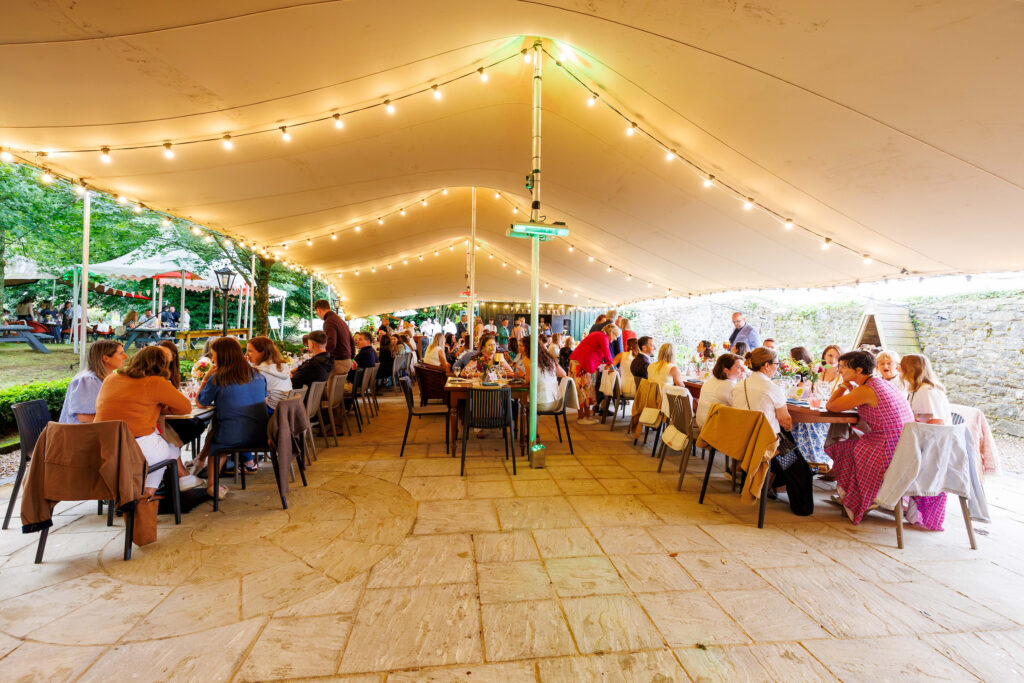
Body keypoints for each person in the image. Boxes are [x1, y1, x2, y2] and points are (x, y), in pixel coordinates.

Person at [824, 350, 943, 527]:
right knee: (851, 441)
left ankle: (856, 499)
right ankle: (855, 495)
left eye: (842, 367)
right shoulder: (880, 383)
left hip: (887, 447)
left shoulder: (867, 389)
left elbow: (831, 406)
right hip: (905, 445)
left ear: (858, 370)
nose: (839, 371)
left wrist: (842, 386)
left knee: (841, 448)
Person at [94, 346, 194, 497]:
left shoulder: (111, 378)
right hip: (135, 446)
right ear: (162, 365)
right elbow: (186, 407)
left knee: (166, 448)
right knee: (169, 451)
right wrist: (162, 407)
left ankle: (139, 492)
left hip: (103, 447)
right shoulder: (156, 382)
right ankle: (147, 494)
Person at [198, 337, 268, 476]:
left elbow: (201, 402)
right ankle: (199, 462)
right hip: (261, 434)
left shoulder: (218, 377)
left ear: (221, 356)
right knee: (218, 428)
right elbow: (264, 401)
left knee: (218, 440)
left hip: (232, 437)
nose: (212, 358)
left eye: (213, 354)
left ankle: (212, 485)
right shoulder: (258, 375)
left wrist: (206, 378)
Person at [59, 340, 127, 424]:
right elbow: (84, 418)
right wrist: (124, 419)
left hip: (99, 431)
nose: (125, 357)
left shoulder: (108, 378)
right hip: (80, 434)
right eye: (121, 353)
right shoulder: (88, 381)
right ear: (106, 358)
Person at [731, 347, 792, 435]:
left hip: (740, 437)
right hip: (764, 440)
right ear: (767, 366)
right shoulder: (772, 388)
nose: (777, 368)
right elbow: (785, 421)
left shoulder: (738, 385)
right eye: (776, 364)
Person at [568, 323, 620, 422]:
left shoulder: (599, 335)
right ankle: (583, 417)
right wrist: (611, 365)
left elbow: (595, 353)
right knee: (583, 390)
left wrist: (605, 364)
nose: (616, 339)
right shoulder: (603, 337)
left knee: (583, 389)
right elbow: (606, 352)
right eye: (615, 335)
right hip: (580, 363)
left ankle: (585, 416)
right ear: (611, 333)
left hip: (579, 361)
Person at [900, 354, 952, 424]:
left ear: (909, 370)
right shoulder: (916, 389)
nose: (898, 369)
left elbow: (937, 421)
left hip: (934, 433)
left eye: (901, 366)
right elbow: (924, 416)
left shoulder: (927, 390)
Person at [695, 353, 743, 426]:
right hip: (712, 429)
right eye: (739, 367)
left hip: (702, 424)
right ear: (726, 370)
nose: (743, 370)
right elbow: (741, 408)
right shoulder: (728, 385)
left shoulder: (711, 380)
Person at [521, 335, 566, 411]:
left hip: (541, 404)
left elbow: (529, 380)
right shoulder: (548, 358)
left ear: (528, 347)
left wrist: (522, 375)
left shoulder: (527, 360)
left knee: (522, 404)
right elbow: (563, 374)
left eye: (522, 346)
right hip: (557, 401)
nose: (520, 348)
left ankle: (529, 423)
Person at [246, 336, 292, 409]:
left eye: (250, 351)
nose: (246, 354)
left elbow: (248, 392)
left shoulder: (259, 371)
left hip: (271, 409)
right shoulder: (283, 366)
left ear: (262, 353)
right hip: (286, 409)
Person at [314, 299, 354, 385]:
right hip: (346, 361)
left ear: (319, 310)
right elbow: (352, 341)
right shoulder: (340, 320)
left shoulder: (329, 321)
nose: (318, 315)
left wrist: (321, 356)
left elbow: (331, 344)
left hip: (338, 362)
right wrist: (351, 358)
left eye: (316, 313)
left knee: (330, 393)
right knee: (336, 393)